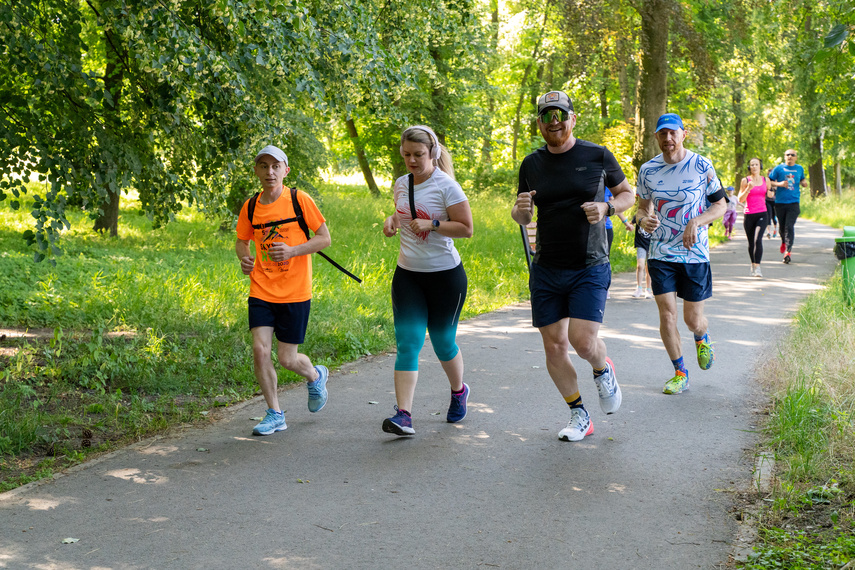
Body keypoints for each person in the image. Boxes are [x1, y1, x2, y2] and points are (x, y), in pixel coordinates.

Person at [512, 90, 634, 442]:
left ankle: (602, 367)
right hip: (547, 265)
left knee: (583, 341)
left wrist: (608, 208)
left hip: (590, 263)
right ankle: (579, 414)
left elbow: (627, 193)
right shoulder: (531, 164)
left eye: (560, 116)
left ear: (572, 118)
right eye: (547, 117)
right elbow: (521, 213)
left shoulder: (597, 155)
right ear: (539, 123)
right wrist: (520, 212)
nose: (555, 123)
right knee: (553, 346)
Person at [380, 125, 473, 436]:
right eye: (406, 155)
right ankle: (403, 415)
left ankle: (459, 391)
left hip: (446, 277)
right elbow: (400, 213)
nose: (412, 160)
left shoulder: (447, 187)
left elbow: (466, 228)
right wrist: (392, 221)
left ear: (432, 153)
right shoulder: (401, 184)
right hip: (408, 275)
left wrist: (433, 224)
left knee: (443, 342)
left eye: (418, 154)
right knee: (408, 342)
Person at [235, 146, 332, 436]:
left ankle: (315, 376)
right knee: (260, 350)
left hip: (295, 292)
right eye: (263, 166)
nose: (270, 172)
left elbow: (324, 239)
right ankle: (275, 413)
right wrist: (245, 257)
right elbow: (242, 241)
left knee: (287, 359)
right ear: (256, 171)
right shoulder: (251, 206)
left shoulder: (299, 200)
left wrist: (292, 250)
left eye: (276, 166)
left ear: (285, 170)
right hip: (262, 289)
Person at [636, 113, 727, 395]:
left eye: (673, 133)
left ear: (683, 134)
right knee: (667, 314)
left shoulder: (701, 165)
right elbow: (641, 208)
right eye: (662, 134)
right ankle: (680, 372)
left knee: (692, 320)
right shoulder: (647, 170)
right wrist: (643, 220)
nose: (668, 139)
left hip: (695, 253)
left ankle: (701, 336)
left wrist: (697, 221)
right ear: (656, 137)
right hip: (661, 251)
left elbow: (720, 205)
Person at [768, 149, 807, 264]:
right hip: (780, 202)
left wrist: (804, 182)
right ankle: (784, 242)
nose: (790, 156)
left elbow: (802, 179)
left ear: (796, 157)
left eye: (792, 155)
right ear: (784, 157)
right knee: (782, 227)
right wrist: (779, 184)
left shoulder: (799, 168)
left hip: (794, 202)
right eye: (787, 155)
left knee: (789, 227)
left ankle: (788, 252)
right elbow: (768, 181)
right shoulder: (779, 168)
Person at [738, 158, 771, 277]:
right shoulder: (745, 180)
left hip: (762, 213)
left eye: (756, 164)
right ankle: (752, 264)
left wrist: (771, 194)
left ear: (760, 166)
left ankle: (757, 267)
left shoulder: (766, 180)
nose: (754, 167)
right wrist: (748, 189)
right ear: (749, 167)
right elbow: (740, 199)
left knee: (758, 240)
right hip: (749, 215)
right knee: (751, 242)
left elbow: (770, 195)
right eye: (752, 165)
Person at [604, 187, 632, 299]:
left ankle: (605, 288)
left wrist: (626, 222)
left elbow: (615, 208)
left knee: (605, 259)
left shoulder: (607, 188)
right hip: (591, 230)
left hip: (606, 228)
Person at [629, 206, 653, 299]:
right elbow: (630, 223)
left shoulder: (655, 218)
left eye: (651, 206)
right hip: (641, 244)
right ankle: (639, 288)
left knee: (649, 268)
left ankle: (648, 289)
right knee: (640, 266)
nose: (649, 208)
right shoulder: (638, 216)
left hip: (651, 245)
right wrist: (629, 226)